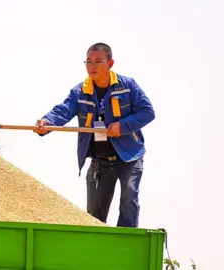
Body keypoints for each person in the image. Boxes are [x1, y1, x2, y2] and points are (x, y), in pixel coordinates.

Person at [34, 42, 155, 228]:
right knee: (94, 215)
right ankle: (98, 249)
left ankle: (127, 243)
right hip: (100, 161)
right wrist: (46, 123)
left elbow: (147, 112)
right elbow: (64, 110)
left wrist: (122, 126)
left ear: (110, 63)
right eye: (88, 61)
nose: (92, 66)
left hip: (129, 157)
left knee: (129, 197)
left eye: (98, 61)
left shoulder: (128, 86)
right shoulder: (80, 91)